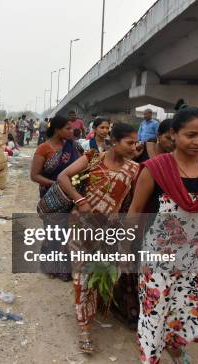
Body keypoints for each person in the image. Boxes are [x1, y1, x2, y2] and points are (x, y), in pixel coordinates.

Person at [128, 107, 198, 364]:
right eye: (191, 135)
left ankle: (177, 350)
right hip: (157, 260)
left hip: (197, 259)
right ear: (174, 134)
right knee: (154, 315)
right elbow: (135, 212)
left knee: (190, 311)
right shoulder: (155, 169)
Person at [57, 123, 140, 353]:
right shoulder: (92, 158)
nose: (134, 147)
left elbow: (130, 204)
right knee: (81, 277)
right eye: (129, 142)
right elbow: (63, 177)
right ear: (114, 141)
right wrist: (79, 200)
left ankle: (94, 310)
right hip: (81, 227)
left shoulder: (135, 169)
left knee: (100, 273)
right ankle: (84, 327)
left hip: (107, 232)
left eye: (135, 142)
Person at [30, 114, 80, 281]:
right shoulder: (43, 148)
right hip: (51, 196)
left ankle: (64, 269)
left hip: (70, 195)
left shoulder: (72, 146)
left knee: (67, 231)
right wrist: (57, 184)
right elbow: (35, 175)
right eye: (67, 128)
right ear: (58, 130)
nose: (71, 131)